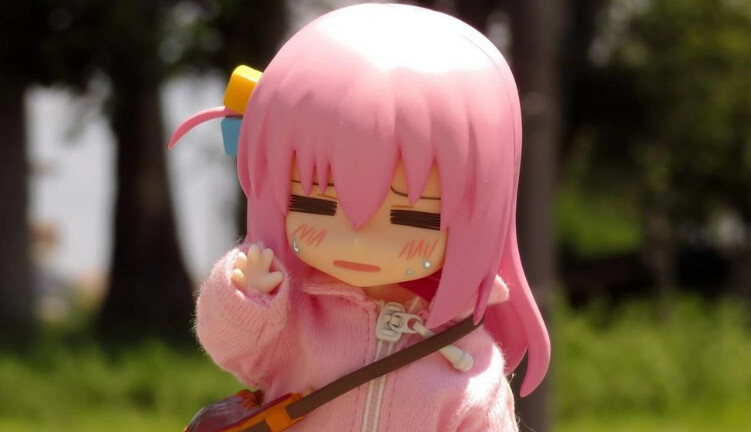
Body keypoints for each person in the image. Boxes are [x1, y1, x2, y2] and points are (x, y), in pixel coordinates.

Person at [169, 4, 550, 431]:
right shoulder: (297, 314)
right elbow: (231, 348)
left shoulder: (469, 361)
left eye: (409, 216)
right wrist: (246, 295)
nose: (358, 239)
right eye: (318, 205)